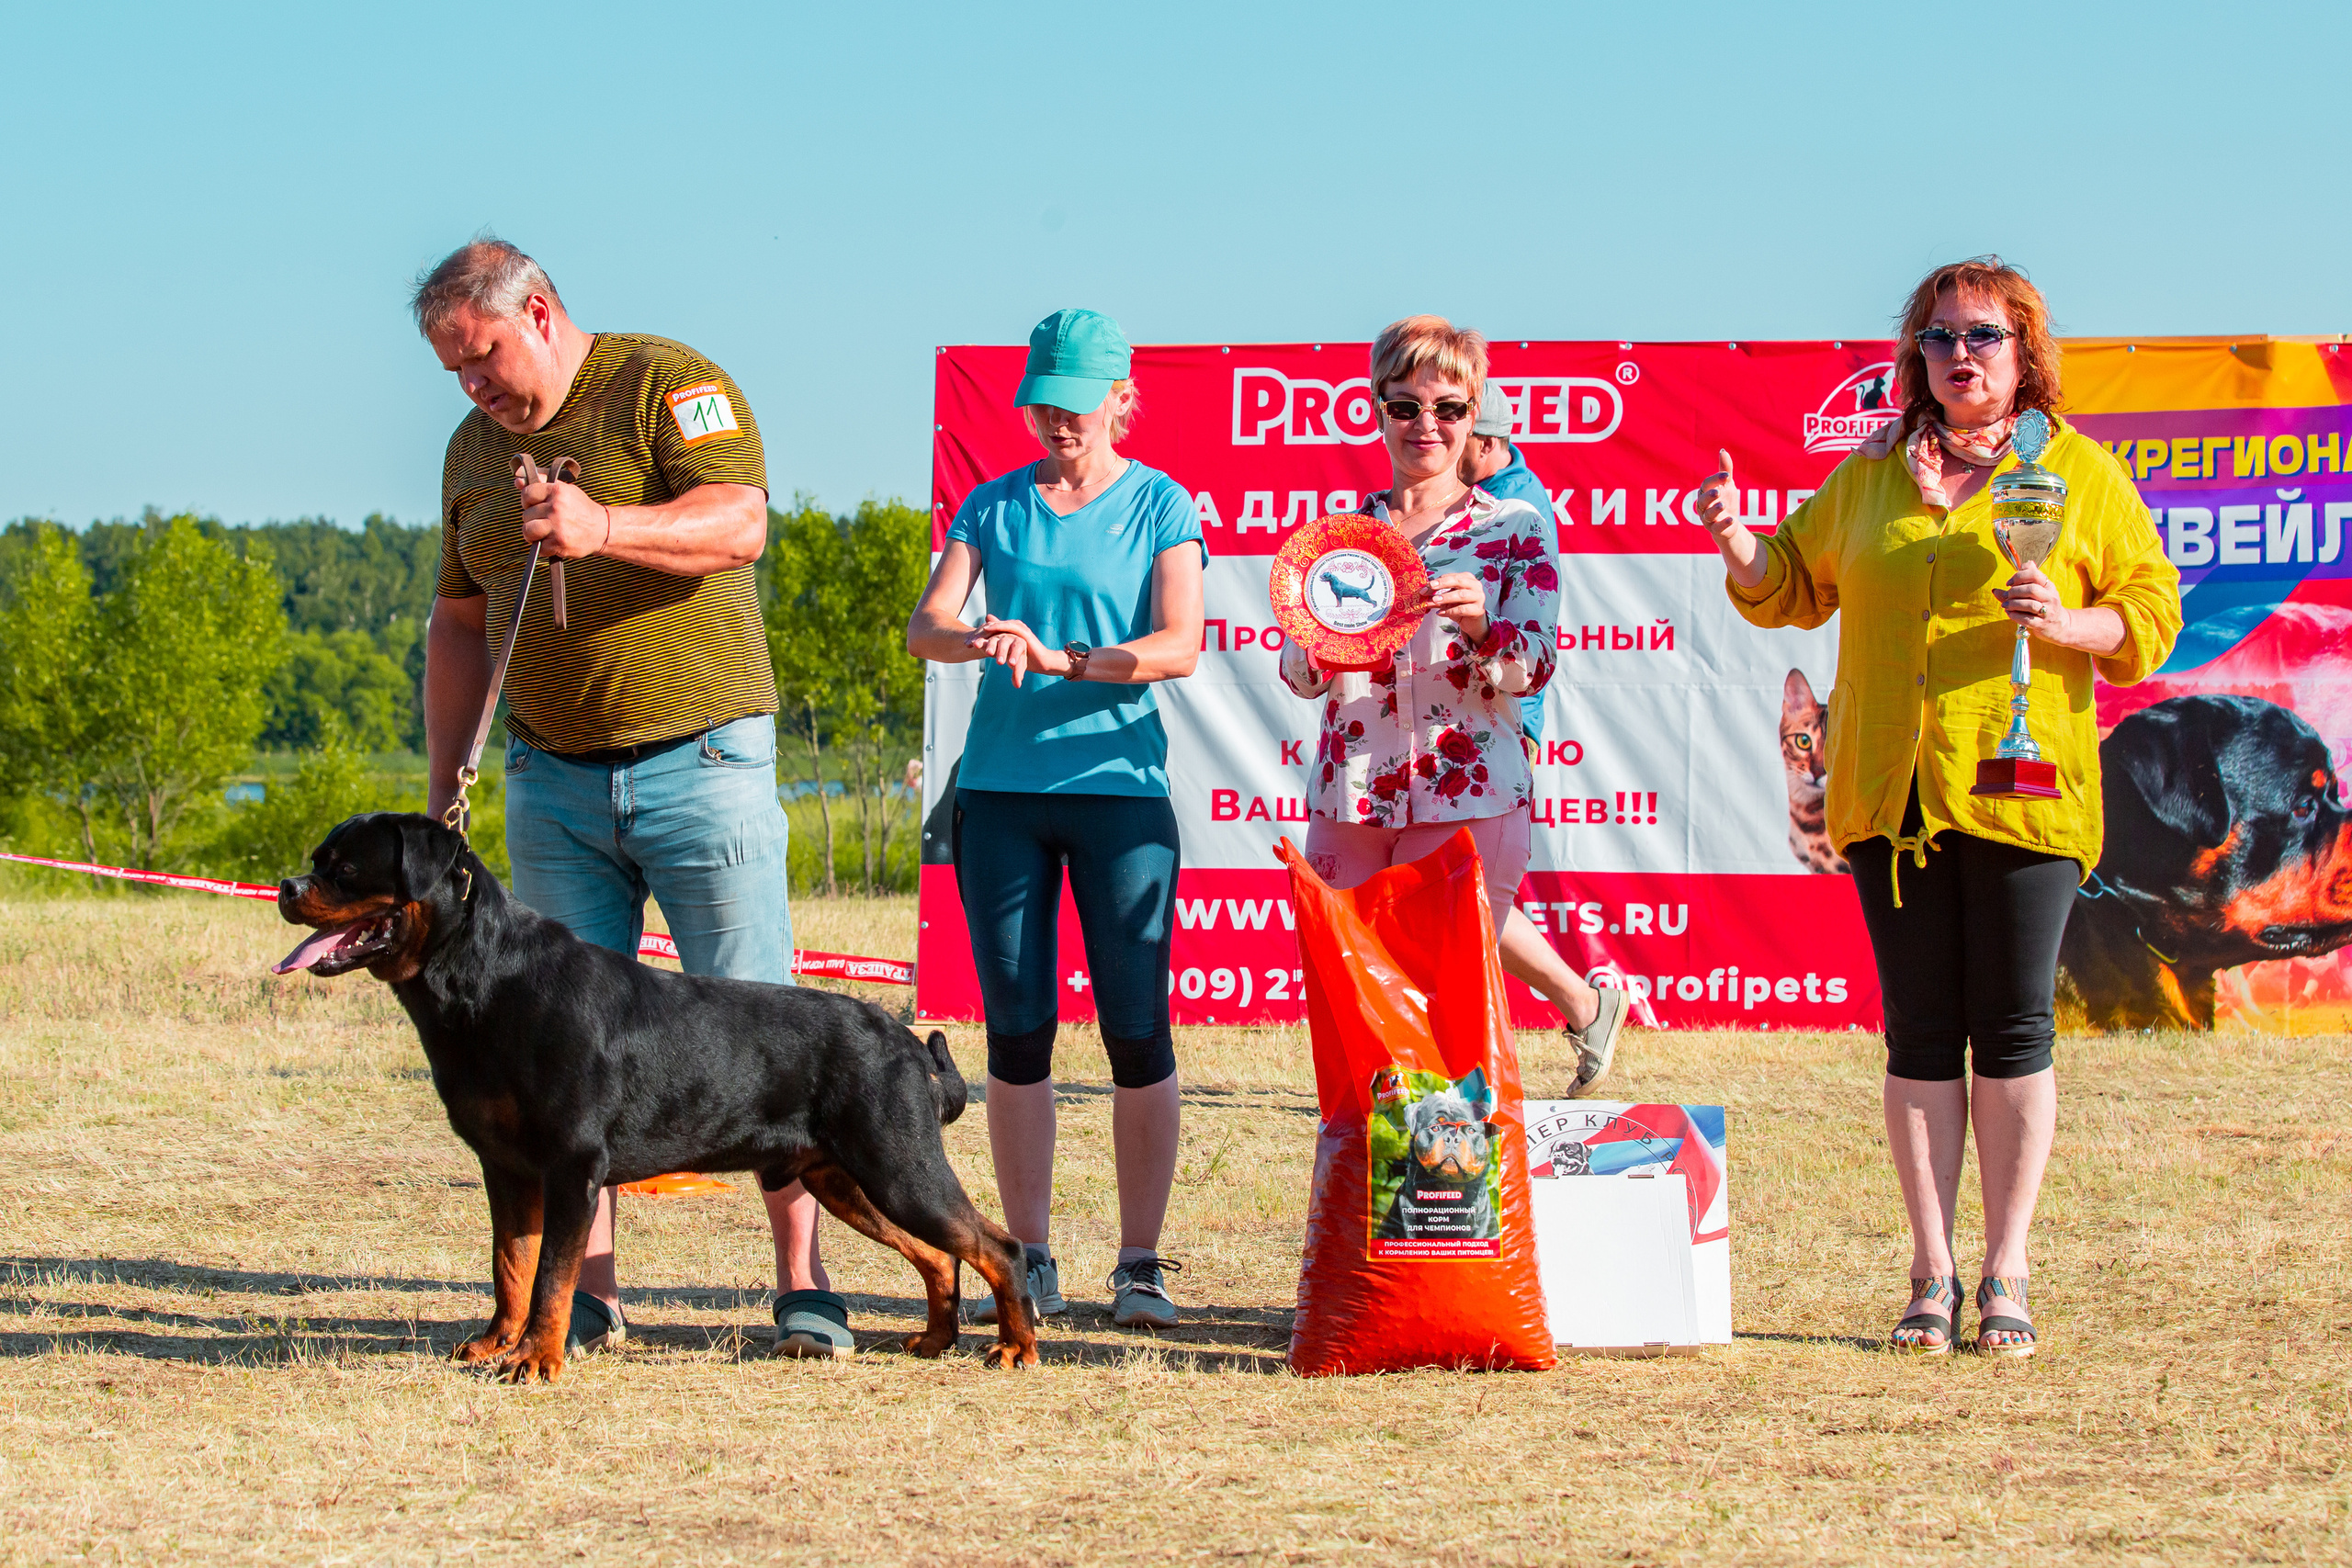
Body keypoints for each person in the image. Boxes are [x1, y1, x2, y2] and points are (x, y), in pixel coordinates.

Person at [1694, 257, 2180, 1358]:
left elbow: (2149, 618)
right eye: (1941, 338)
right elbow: (1788, 585)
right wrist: (1733, 534)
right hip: (1887, 792)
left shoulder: (2079, 477)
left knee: (2010, 1029)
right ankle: (1929, 1270)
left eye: (1985, 338)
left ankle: (2006, 1268)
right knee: (1917, 1034)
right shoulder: (1869, 476)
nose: (1962, 356)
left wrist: (2066, 622)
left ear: (2024, 355)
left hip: (2023, 792)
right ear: (1915, 356)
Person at [413, 238, 854, 1361]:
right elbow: (459, 626)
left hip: (700, 761)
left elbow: (739, 522)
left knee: (766, 1026)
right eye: (455, 371)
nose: (474, 388)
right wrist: (440, 792)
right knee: (552, 1045)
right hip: (549, 776)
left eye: (485, 357)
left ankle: (805, 1288)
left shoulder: (668, 382)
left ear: (542, 313)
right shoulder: (470, 451)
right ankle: (589, 1301)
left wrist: (604, 524)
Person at [906, 309, 1205, 1329]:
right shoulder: (993, 507)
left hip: (1121, 795)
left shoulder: (1162, 505)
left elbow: (1177, 645)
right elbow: (926, 627)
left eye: (1075, 403)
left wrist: (1063, 658)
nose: (1054, 421)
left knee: (1136, 1032)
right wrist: (976, 635)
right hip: (1000, 798)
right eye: (1040, 401)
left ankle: (1140, 1265)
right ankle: (1026, 1255)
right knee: (1018, 1032)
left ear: (1123, 400)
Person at [1281, 319, 1605, 1061]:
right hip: (1353, 792)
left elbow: (1536, 663)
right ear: (1377, 408)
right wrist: (1325, 639)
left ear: (1473, 413)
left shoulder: (1517, 525)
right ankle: (1365, 1163)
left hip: (1472, 791)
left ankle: (1454, 1175)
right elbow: (1300, 678)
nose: (1427, 425)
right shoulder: (1341, 533)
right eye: (1405, 405)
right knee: (1354, 1005)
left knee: (1449, 1008)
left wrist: (1485, 626)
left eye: (1449, 408)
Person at [1459, 381, 1626, 1095]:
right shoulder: (1469, 498)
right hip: (1450, 728)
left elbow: (1529, 639)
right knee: (1460, 899)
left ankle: (1575, 1010)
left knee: (1465, 902)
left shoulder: (1517, 509)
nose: (1431, 437)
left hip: (1495, 721)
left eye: (1452, 425)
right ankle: (1586, 1006)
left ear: (1487, 440)